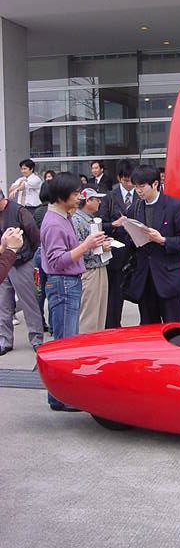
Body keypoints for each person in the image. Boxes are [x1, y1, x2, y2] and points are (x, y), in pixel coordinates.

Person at [40, 172, 105, 410]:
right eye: (76, 194)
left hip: (67, 282)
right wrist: (86, 245)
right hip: (63, 283)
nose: (79, 198)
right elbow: (57, 261)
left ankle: (60, 396)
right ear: (62, 196)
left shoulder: (62, 216)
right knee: (64, 344)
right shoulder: (54, 223)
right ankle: (61, 397)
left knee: (66, 342)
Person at [121, 164, 180, 324]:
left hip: (169, 278)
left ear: (155, 184)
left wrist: (163, 240)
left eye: (142, 186)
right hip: (145, 279)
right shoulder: (134, 208)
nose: (138, 191)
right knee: (148, 328)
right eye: (135, 186)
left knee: (173, 327)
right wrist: (131, 234)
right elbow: (130, 244)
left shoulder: (175, 206)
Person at [0, 187, 43, 356]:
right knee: (3, 304)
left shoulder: (19, 211)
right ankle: (5, 340)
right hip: (4, 260)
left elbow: (34, 236)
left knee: (29, 302)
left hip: (21, 261)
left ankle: (36, 338)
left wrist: (27, 255)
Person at [98, 158, 137, 328]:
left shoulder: (141, 195)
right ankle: (113, 327)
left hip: (137, 251)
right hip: (116, 254)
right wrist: (114, 225)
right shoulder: (110, 198)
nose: (130, 184)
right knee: (114, 296)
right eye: (126, 180)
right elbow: (100, 224)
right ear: (119, 178)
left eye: (132, 180)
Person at [72, 188, 112, 333]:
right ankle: (86, 344)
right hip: (89, 270)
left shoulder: (90, 219)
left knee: (99, 313)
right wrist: (101, 247)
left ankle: (96, 342)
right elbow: (77, 249)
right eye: (96, 199)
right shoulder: (77, 220)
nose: (99, 202)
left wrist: (103, 243)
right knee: (89, 315)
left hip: (99, 266)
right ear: (87, 201)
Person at [33, 181, 52, 332]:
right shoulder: (54, 211)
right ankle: (53, 325)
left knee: (40, 291)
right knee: (53, 289)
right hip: (50, 253)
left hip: (38, 252)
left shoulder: (37, 211)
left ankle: (39, 322)